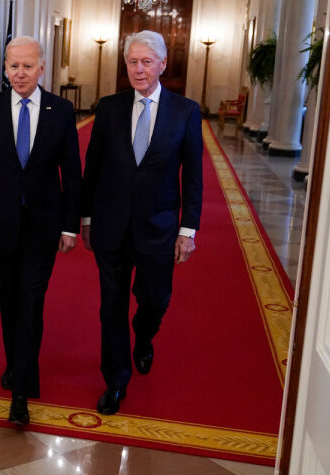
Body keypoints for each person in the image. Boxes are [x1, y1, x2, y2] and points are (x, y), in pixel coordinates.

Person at [0, 36, 82, 425]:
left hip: (44, 225)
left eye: (28, 66)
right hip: (1, 223)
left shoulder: (61, 110)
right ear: (5, 69)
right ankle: (17, 364)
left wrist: (70, 226)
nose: (20, 73)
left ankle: (21, 393)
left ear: (41, 68)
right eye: (13, 66)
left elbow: (73, 174)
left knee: (31, 301)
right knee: (9, 301)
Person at [81, 30, 203, 415]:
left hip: (160, 227)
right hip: (111, 225)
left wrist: (188, 229)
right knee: (110, 306)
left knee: (155, 300)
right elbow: (93, 167)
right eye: (132, 61)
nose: (138, 69)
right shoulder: (110, 107)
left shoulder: (185, 111)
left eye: (146, 62)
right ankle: (116, 380)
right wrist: (85, 217)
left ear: (163, 64)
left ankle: (144, 335)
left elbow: (194, 176)